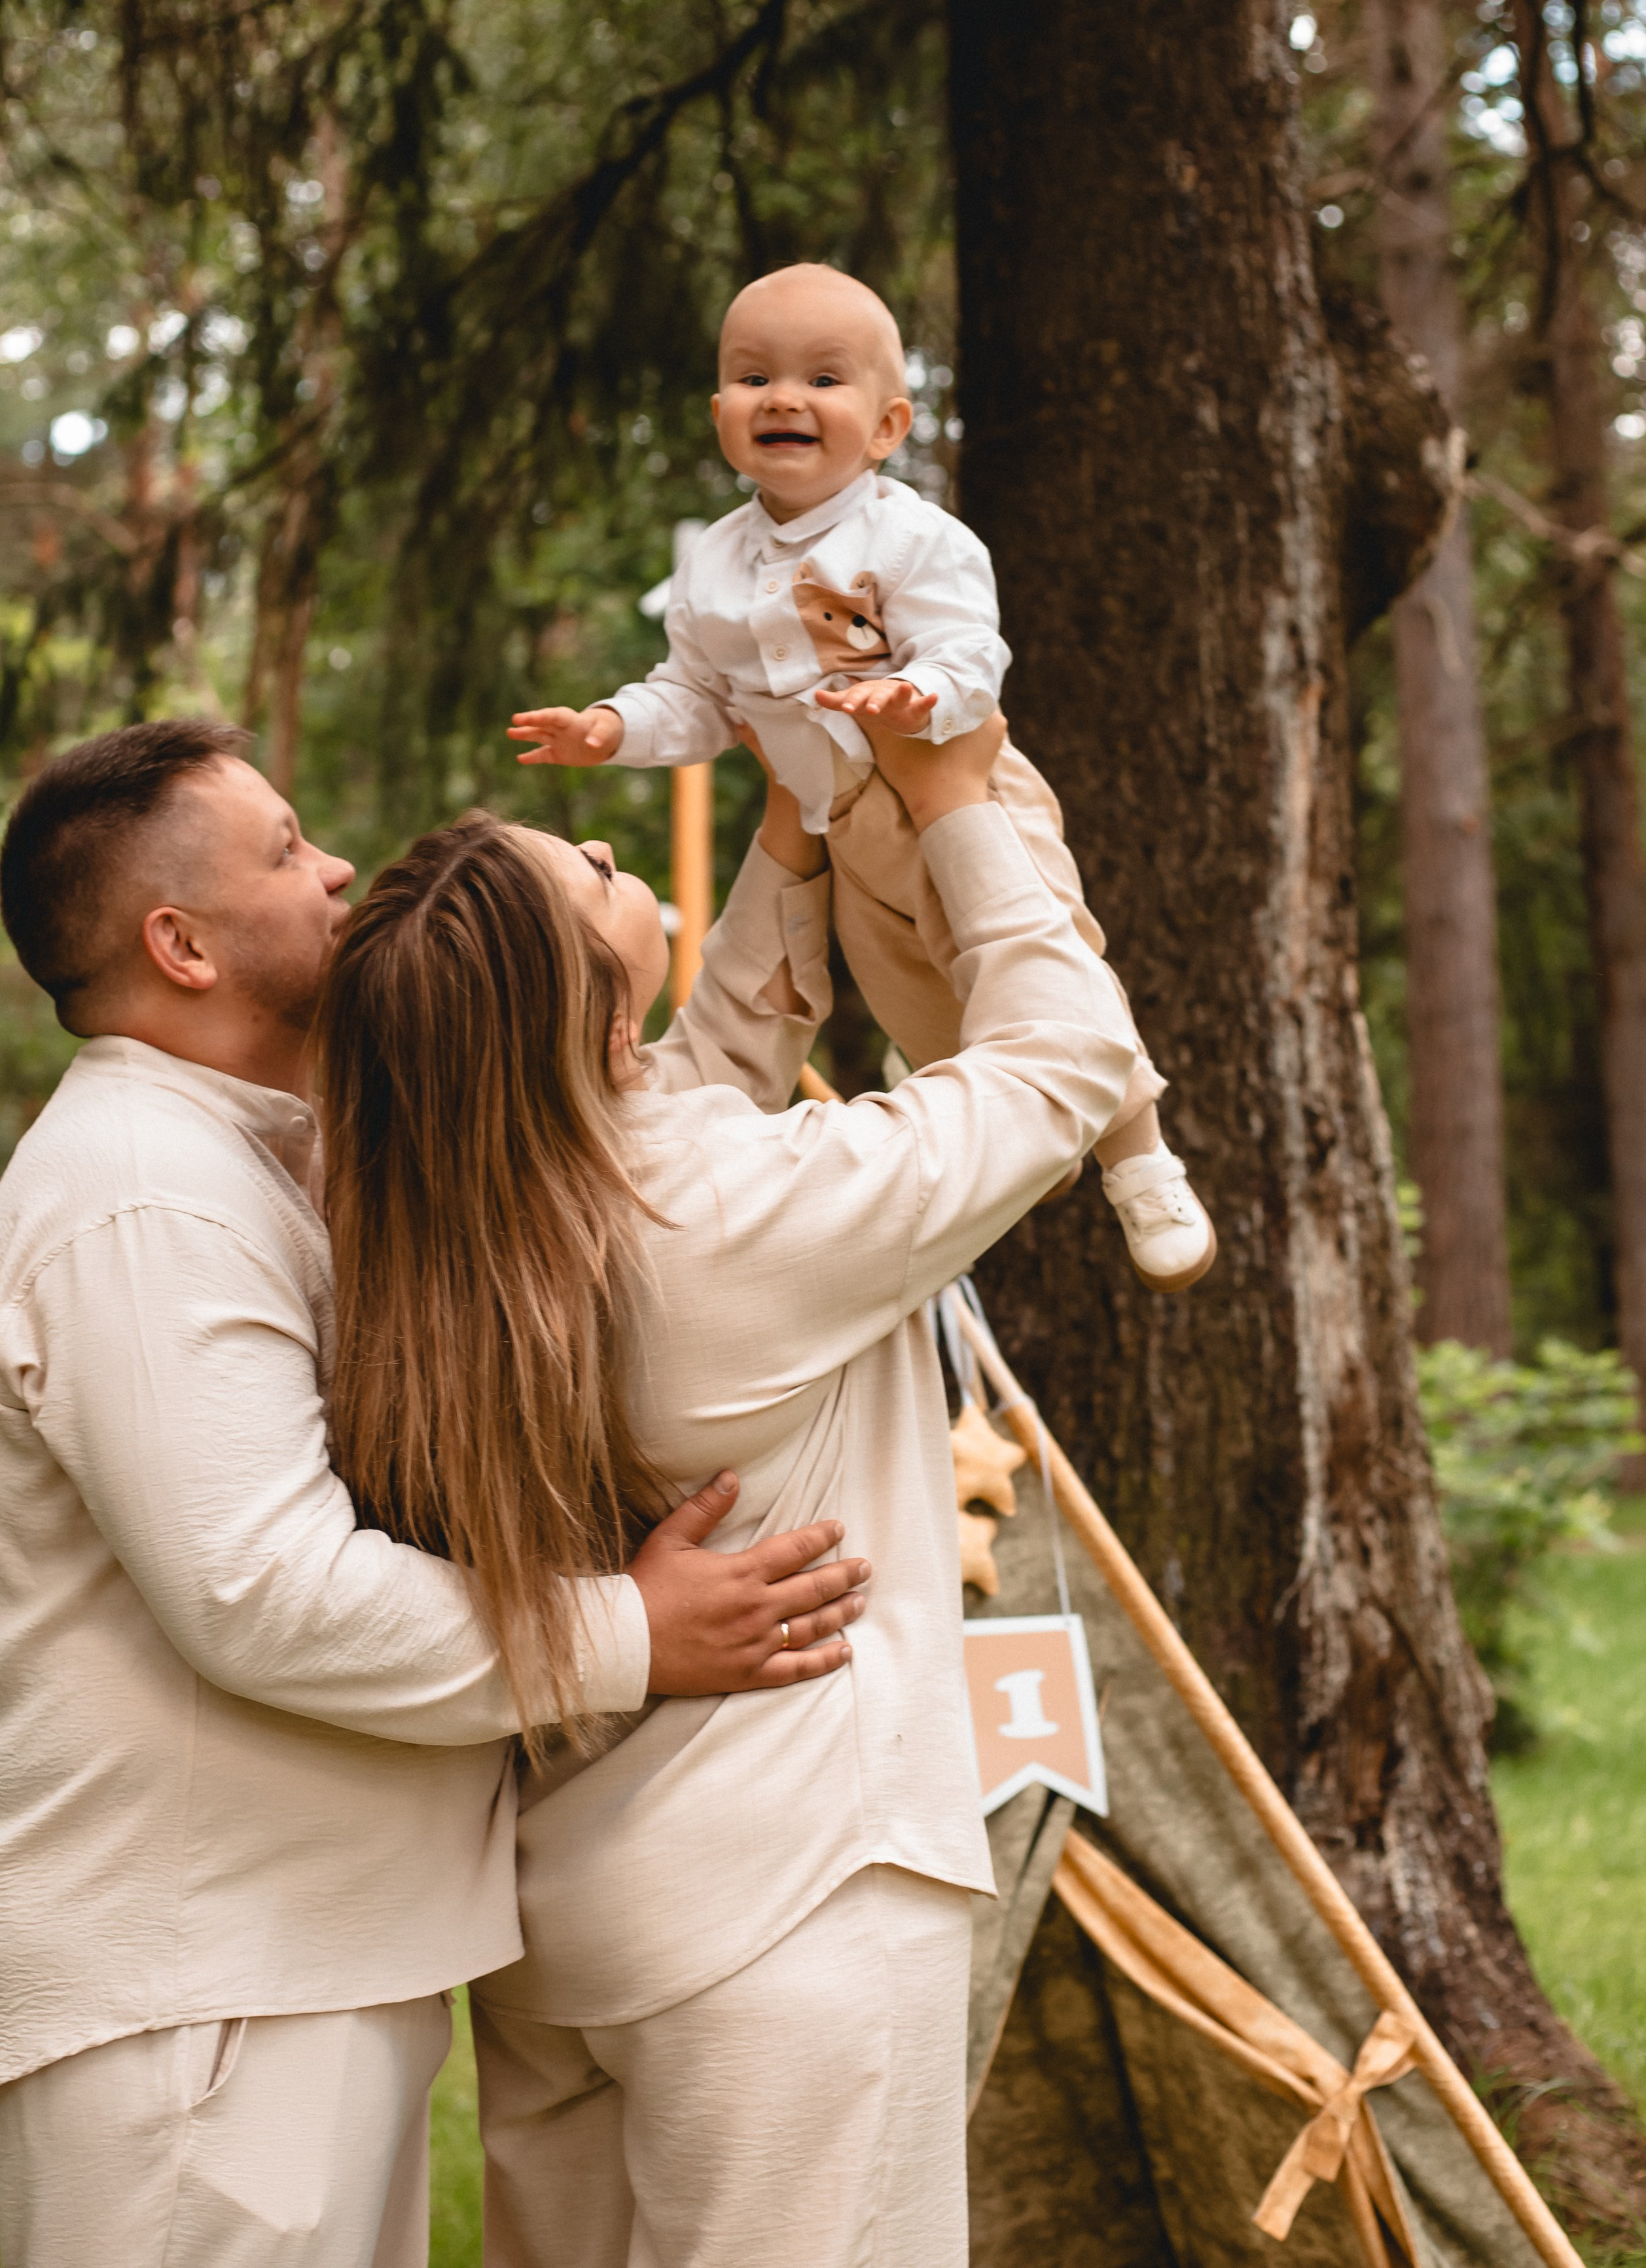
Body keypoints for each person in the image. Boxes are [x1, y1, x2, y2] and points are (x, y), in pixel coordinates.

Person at [0, 718, 869, 2268]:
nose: (335, 867)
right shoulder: (140, 1193)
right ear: (179, 943)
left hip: (293, 1979)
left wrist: (788, 851)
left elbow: (616, 1100)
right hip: (203, 2011)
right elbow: (261, 1589)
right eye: (283, 851)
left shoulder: (285, 1150)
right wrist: (626, 1636)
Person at [315, 710, 1138, 2268]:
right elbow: (1067, 1063)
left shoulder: (445, 1245)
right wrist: (960, 812)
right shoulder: (725, 1222)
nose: (621, 848)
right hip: (788, 1906)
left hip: (573, 1924)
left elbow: (692, 1077)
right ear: (591, 1019)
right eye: (597, 869)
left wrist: (785, 833)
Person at [506, 259, 1214, 1293]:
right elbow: (697, 697)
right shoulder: (713, 566)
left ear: (887, 427)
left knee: (1040, 951)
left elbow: (974, 654)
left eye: (823, 379)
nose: (784, 397)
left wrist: (919, 694)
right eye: (754, 378)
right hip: (840, 826)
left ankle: (1139, 1157)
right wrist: (614, 728)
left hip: (961, 793)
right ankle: (1025, 1143)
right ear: (720, 415)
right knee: (913, 995)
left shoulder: (914, 538)